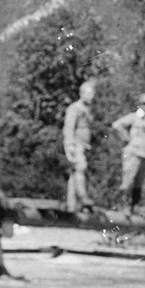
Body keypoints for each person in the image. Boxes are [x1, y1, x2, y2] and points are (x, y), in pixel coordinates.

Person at [110, 92, 145, 210]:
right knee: (128, 179)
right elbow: (116, 125)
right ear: (140, 104)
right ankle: (123, 206)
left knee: (139, 182)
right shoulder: (133, 116)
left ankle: (134, 206)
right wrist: (126, 138)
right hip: (133, 152)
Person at [61, 80, 96, 214]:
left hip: (84, 146)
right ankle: (83, 197)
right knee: (81, 167)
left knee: (74, 173)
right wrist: (70, 145)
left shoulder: (87, 109)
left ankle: (71, 206)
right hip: (75, 144)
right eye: (89, 93)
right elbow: (69, 128)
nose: (92, 96)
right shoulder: (74, 108)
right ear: (82, 93)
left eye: (92, 93)